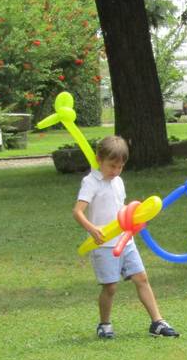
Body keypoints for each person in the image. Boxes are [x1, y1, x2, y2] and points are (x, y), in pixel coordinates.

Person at [73, 135, 179, 339]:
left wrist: (136, 221)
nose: (115, 171)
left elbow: (121, 209)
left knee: (142, 278)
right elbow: (77, 211)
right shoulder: (90, 182)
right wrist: (92, 229)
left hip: (126, 241)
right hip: (104, 245)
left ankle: (157, 322)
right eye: (112, 166)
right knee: (110, 287)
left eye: (120, 167)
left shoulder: (118, 182)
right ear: (98, 159)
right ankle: (104, 324)